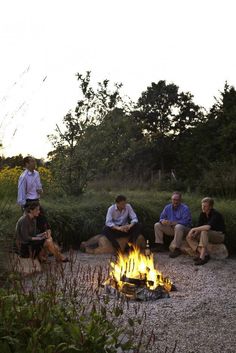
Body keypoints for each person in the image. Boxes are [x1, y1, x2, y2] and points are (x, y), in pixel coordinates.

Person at [186, 197, 225, 265]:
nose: (203, 207)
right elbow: (199, 226)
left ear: (210, 207)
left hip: (219, 236)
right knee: (189, 237)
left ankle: (202, 258)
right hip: (208, 235)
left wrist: (193, 229)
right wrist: (194, 234)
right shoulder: (202, 214)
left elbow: (207, 227)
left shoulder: (216, 214)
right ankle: (205, 254)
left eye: (205, 206)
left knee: (204, 231)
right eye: (202, 205)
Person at [154, 191, 192, 258]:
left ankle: (177, 249)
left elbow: (186, 221)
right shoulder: (167, 207)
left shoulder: (185, 208)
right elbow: (161, 218)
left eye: (177, 200)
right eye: (174, 200)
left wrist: (175, 222)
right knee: (157, 225)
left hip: (184, 230)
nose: (175, 202)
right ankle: (159, 245)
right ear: (172, 200)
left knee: (178, 226)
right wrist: (163, 221)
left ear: (180, 200)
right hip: (172, 229)